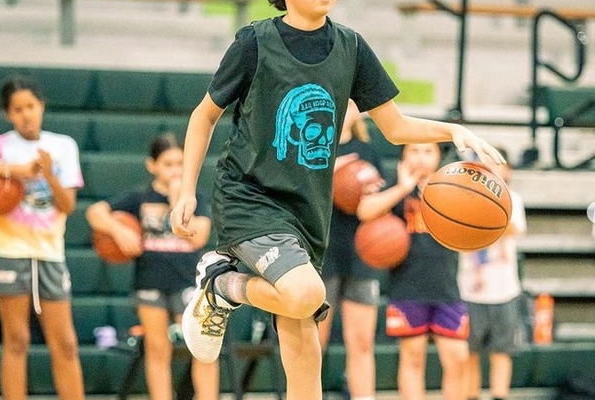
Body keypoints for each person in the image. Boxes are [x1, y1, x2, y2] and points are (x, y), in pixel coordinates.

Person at [169, 1, 505, 399]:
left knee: (306, 357)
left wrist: (452, 131)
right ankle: (222, 286)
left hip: (308, 213)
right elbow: (204, 115)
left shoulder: (352, 47)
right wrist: (187, 189)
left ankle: (226, 287)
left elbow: (395, 127)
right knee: (305, 294)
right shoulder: (255, 42)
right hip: (250, 198)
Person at [85, 133, 219, 400]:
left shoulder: (195, 199)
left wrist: (176, 200)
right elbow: (94, 212)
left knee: (202, 348)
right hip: (150, 280)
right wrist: (118, 230)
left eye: (180, 163)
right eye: (168, 164)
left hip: (187, 281)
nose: (175, 170)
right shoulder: (140, 197)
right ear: (152, 165)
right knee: (157, 349)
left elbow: (199, 237)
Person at [0, 76, 86, 400]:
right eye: (18, 109)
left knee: (66, 343)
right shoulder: (1, 145)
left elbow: (68, 205)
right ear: (9, 114)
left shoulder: (63, 146)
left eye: (31, 106)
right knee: (16, 339)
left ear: (42, 106)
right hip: (9, 251)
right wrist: (15, 171)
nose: (26, 114)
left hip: (50, 253)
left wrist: (47, 173)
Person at [357, 142, 469, 400]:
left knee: (458, 359)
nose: (421, 157)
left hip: (447, 287)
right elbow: (364, 210)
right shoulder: (396, 186)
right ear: (403, 156)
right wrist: (403, 188)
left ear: (439, 156)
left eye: (428, 151)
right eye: (414, 151)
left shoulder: (451, 188)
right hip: (407, 287)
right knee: (412, 358)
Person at [318, 99, 385, 400]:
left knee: (361, 343)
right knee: (313, 344)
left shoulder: (368, 152)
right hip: (322, 253)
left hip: (361, 254)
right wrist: (332, 173)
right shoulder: (314, 149)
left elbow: (380, 205)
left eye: (353, 102)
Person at [457, 147, 527, 400]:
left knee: (502, 351)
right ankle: (470, 395)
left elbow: (514, 228)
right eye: (486, 164)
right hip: (470, 288)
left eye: (497, 164)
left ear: (508, 171)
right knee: (469, 352)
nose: (492, 169)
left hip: (504, 289)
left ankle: (499, 394)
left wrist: (485, 217)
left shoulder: (512, 199)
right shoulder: (463, 198)